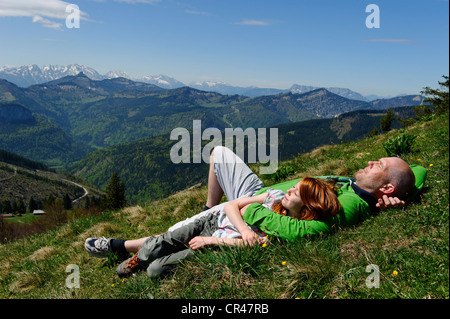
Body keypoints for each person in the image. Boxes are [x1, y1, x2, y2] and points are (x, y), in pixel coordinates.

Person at [85, 175, 342, 278]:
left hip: (216, 244)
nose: (291, 189)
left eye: (297, 192)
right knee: (159, 243)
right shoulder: (274, 196)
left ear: (306, 208)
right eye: (294, 186)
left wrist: (212, 242)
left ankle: (145, 262)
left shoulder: (288, 228)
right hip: (212, 221)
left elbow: (252, 244)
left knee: (155, 271)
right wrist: (244, 229)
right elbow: (232, 206)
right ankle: (136, 259)